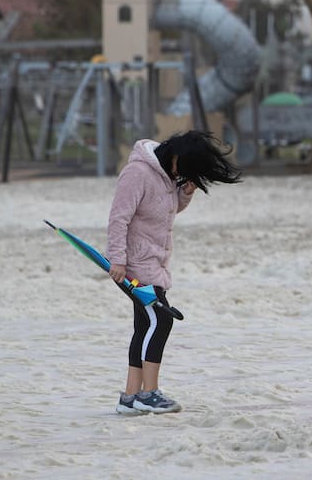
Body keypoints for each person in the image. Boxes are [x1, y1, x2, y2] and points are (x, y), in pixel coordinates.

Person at [107, 130, 241, 414]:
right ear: (176, 156)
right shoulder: (137, 173)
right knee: (161, 321)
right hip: (135, 266)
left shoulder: (167, 174)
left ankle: (131, 397)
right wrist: (117, 260)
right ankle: (149, 393)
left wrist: (185, 193)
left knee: (145, 326)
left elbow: (165, 210)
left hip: (155, 264)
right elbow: (119, 218)